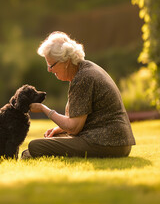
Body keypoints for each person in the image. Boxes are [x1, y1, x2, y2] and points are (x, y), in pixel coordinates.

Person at [22, 31, 136, 159]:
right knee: (52, 139)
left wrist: (44, 109)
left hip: (107, 142)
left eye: (51, 65)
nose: (49, 70)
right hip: (115, 142)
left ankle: (31, 155)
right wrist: (60, 129)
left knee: (35, 146)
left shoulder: (83, 78)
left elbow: (74, 128)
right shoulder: (85, 70)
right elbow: (79, 119)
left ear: (66, 61)